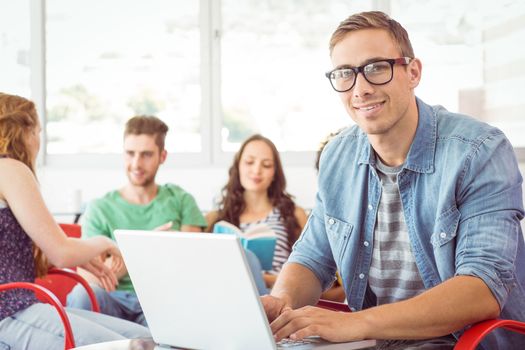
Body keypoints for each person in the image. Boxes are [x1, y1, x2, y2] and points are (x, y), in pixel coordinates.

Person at [263, 11, 525, 350]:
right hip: (372, 341)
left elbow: (483, 288)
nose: (361, 88)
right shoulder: (337, 156)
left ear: (412, 72)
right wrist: (280, 302)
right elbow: (312, 258)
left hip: (456, 342)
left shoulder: (480, 152)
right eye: (346, 74)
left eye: (376, 68)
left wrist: (355, 324)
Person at [0, 92, 150, 348]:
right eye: (38, 132)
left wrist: (82, 255)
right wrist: (103, 242)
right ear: (24, 131)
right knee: (137, 347)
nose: (38, 142)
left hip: (19, 309)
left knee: (149, 340)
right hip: (10, 313)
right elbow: (62, 253)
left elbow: (10, 258)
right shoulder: (9, 169)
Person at [67, 115, 207, 325]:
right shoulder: (100, 208)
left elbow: (190, 266)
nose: (136, 163)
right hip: (112, 300)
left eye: (146, 155)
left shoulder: (181, 200)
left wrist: (115, 258)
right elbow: (92, 279)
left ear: (163, 156)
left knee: (186, 309)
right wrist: (149, 247)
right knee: (81, 295)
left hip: (164, 302)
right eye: (130, 153)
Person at [206, 134, 308, 290]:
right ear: (238, 166)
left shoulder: (294, 214)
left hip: (278, 297)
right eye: (249, 162)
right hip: (229, 293)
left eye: (266, 165)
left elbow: (309, 273)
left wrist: (260, 278)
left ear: (275, 172)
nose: (256, 170)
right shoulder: (215, 218)